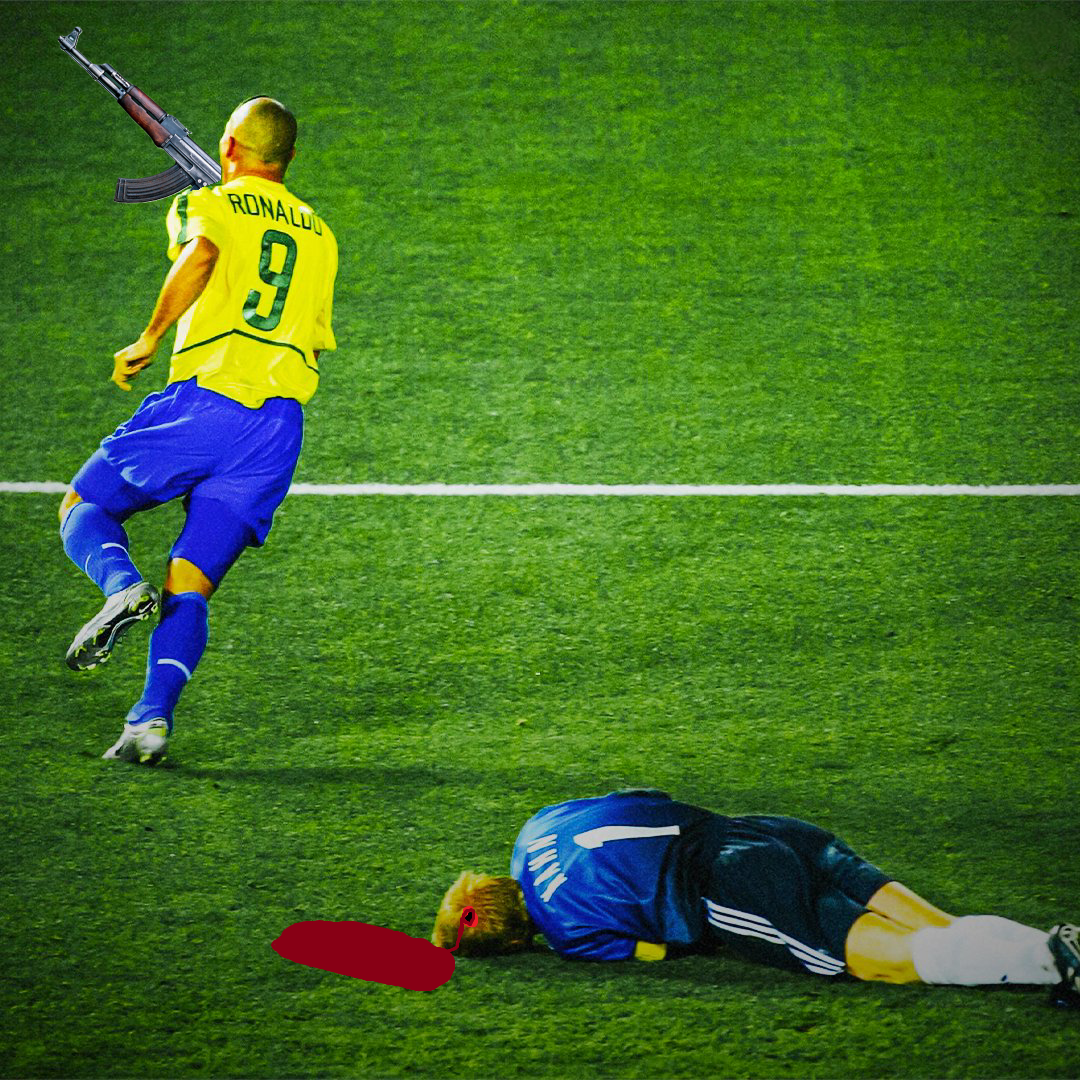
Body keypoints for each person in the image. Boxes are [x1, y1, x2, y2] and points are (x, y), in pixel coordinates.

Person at [58, 97, 338, 764]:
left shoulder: (208, 202)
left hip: (206, 402)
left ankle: (120, 586)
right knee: (190, 582)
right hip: (276, 431)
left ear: (229, 147)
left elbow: (203, 255)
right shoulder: (322, 235)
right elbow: (313, 340)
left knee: (83, 504)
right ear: (288, 157)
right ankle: (150, 722)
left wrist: (150, 336)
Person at [432, 789, 1080, 999]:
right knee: (932, 923)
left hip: (729, 884)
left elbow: (658, 950)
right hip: (756, 828)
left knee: (874, 957)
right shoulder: (537, 825)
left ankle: (1047, 960)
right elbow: (645, 797)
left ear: (513, 940)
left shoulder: (565, 933)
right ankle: (1050, 949)